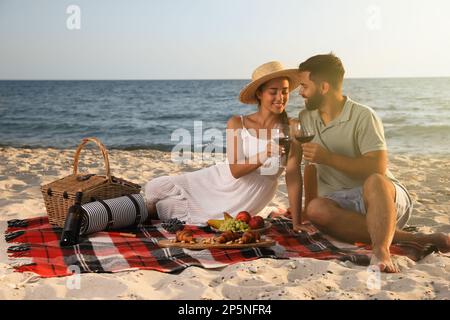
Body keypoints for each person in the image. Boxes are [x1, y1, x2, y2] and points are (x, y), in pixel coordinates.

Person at [295, 53, 450, 273]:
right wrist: (305, 209)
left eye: (304, 86)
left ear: (324, 87)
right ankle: (415, 238)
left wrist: (327, 158)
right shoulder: (306, 118)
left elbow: (377, 167)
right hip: (342, 204)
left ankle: (381, 252)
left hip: (383, 198)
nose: (300, 92)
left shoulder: (363, 116)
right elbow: (309, 166)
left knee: (374, 180)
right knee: (315, 208)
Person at [144, 61, 304, 229]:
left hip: (249, 194)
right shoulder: (237, 122)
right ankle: (120, 208)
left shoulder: (293, 127)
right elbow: (235, 170)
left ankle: (123, 213)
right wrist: (265, 154)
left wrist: (297, 222)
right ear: (259, 94)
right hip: (220, 180)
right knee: (154, 188)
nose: (280, 98)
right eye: (273, 92)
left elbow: (293, 176)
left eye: (285, 92)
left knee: (164, 208)